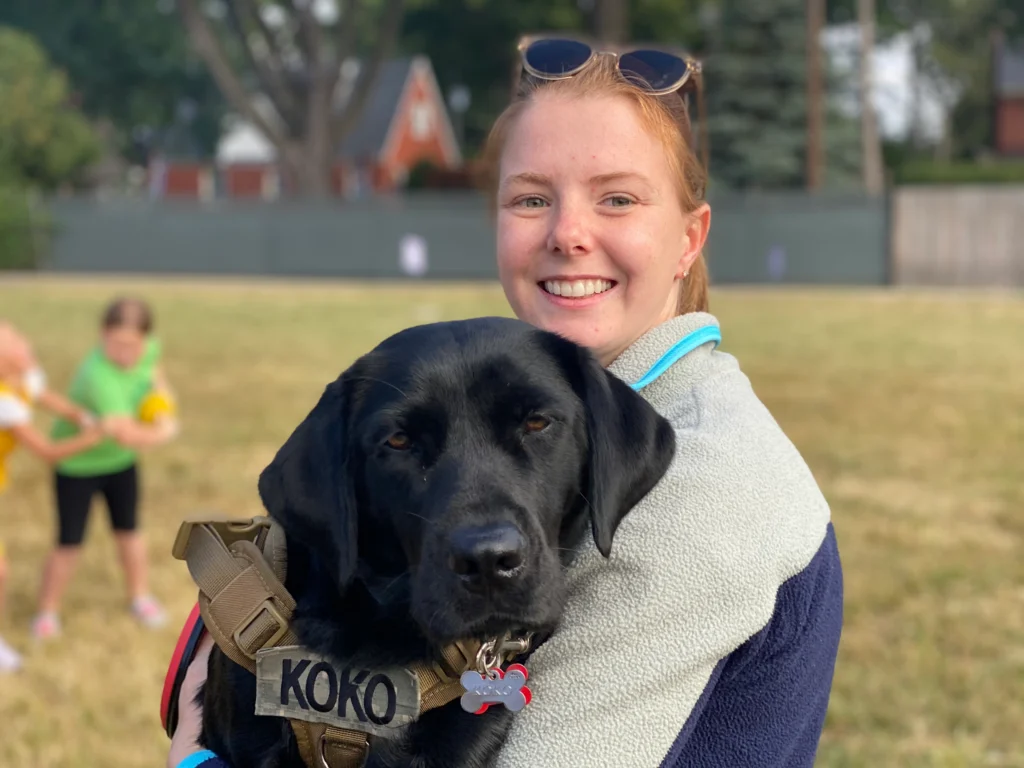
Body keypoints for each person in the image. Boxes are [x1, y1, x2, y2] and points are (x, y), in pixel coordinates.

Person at [168, 36, 843, 768]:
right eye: (531, 198)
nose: (568, 233)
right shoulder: (565, 390)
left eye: (617, 198)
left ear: (689, 237)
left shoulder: (704, 489)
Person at [32, 297, 179, 641]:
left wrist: (162, 407)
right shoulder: (97, 375)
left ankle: (140, 598)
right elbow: (124, 432)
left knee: (129, 531)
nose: (125, 352)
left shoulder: (150, 349)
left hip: (120, 464)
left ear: (145, 339)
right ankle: (46, 613)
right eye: (116, 343)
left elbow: (156, 378)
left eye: (132, 344)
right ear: (102, 335)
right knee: (69, 542)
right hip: (78, 467)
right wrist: (164, 432)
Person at [0, 321, 105, 671]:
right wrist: (91, 438)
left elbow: (46, 398)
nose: (26, 346)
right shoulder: (4, 403)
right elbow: (46, 451)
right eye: (16, 346)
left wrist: (79, 415)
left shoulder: (22, 379)